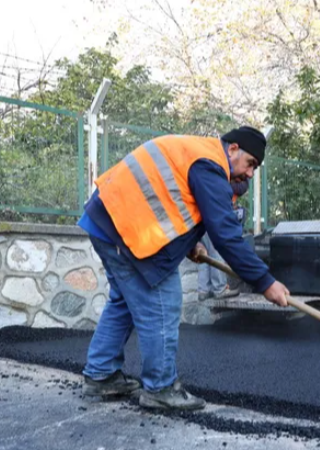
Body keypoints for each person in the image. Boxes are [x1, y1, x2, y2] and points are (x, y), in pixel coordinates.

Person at [77, 126, 291, 410]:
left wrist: (193, 244)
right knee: (164, 301)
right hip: (126, 228)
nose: (251, 173)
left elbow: (175, 200)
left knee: (124, 302)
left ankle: (101, 376)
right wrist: (265, 282)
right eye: (251, 163)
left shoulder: (198, 154)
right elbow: (226, 235)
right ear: (233, 149)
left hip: (105, 219)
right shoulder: (210, 164)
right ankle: (160, 388)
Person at [197, 179, 250, 300]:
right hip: (211, 221)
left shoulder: (216, 185)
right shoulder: (226, 192)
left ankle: (203, 290)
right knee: (217, 251)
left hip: (201, 220)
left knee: (204, 254)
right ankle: (219, 289)